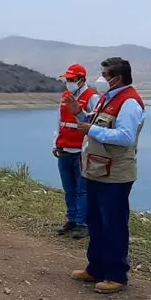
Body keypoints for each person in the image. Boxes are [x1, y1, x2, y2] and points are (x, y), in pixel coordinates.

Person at [70, 57, 145, 294]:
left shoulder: (130, 103)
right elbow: (96, 124)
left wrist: (90, 129)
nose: (100, 78)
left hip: (116, 174)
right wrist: (81, 115)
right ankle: (96, 269)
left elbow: (125, 137)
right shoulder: (107, 98)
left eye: (105, 74)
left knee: (113, 224)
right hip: (96, 169)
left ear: (117, 78)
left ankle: (116, 275)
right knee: (95, 221)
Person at [53, 64, 99, 239]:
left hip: (81, 151)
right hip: (64, 148)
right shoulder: (65, 96)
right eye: (67, 80)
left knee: (82, 189)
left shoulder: (92, 97)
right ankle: (71, 219)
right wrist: (55, 142)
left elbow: (94, 121)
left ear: (82, 80)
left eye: (72, 80)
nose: (69, 83)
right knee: (69, 188)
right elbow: (60, 120)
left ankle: (82, 223)